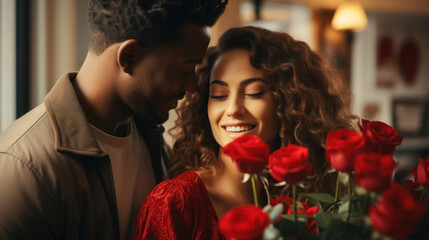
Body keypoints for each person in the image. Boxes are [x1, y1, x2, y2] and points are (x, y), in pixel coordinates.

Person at [0, 0, 227, 239]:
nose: (191, 86)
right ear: (129, 57)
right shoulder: (24, 169)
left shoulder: (149, 135)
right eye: (183, 70)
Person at [134, 26, 356, 239]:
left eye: (253, 92)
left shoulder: (306, 202)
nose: (232, 109)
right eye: (219, 95)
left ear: (288, 104)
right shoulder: (174, 202)